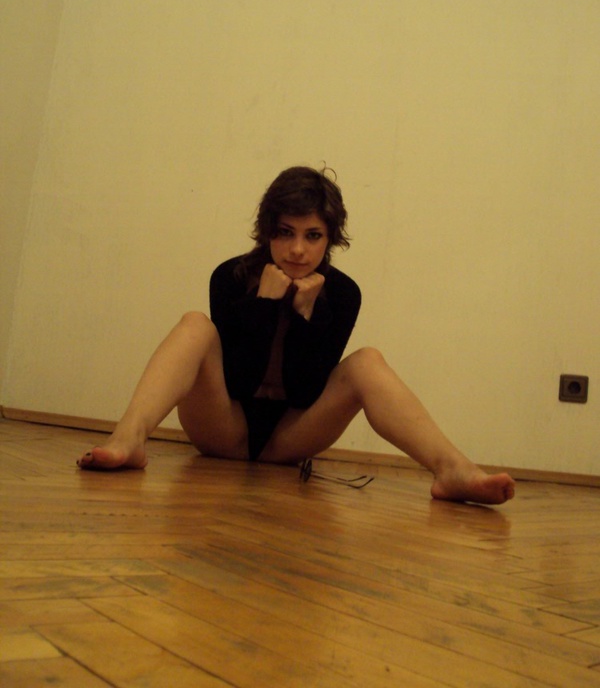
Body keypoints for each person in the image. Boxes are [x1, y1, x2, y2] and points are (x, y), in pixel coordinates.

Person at [77, 166, 515, 505]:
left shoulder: (342, 294)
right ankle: (128, 440)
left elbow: (306, 391)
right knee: (195, 324)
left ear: (330, 239)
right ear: (267, 230)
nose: (298, 249)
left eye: (313, 235)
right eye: (285, 233)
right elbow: (239, 380)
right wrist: (265, 305)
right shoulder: (230, 277)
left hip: (290, 437)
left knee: (367, 361)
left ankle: (453, 469)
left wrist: (308, 315)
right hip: (222, 427)